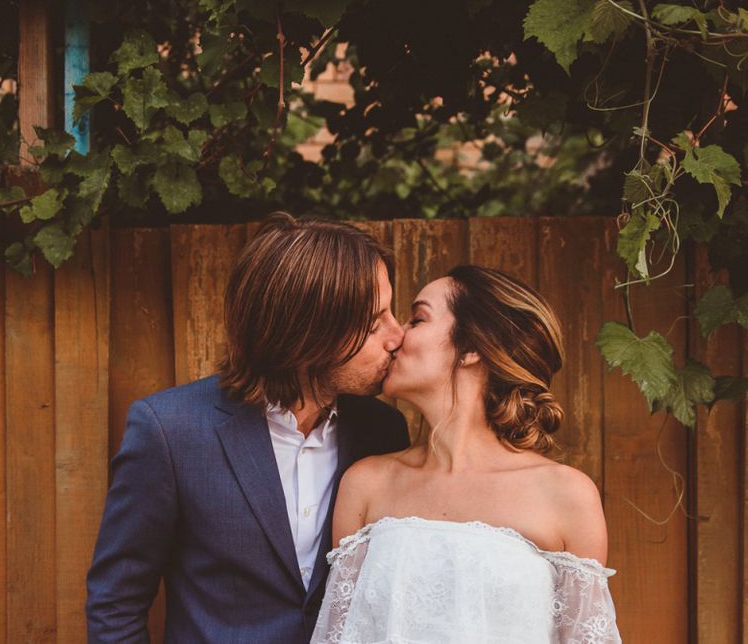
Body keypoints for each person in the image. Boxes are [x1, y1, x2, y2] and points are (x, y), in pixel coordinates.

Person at [86, 213, 411, 643]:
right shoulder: (171, 431)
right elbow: (116, 603)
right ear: (307, 334)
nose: (397, 335)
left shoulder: (382, 431)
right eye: (373, 323)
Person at [311, 265, 621, 643]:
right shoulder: (365, 484)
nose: (395, 338)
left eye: (417, 319)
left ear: (473, 347)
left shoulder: (566, 495)